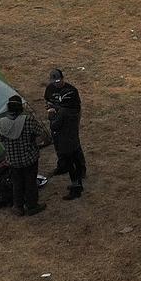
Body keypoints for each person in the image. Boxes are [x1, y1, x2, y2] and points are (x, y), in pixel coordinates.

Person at [0, 95, 49, 216]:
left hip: (13, 161)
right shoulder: (28, 120)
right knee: (30, 182)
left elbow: (0, 138)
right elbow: (41, 134)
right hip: (29, 159)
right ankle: (32, 205)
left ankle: (18, 206)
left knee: (17, 183)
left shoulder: (2, 122)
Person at [44, 69, 86, 200]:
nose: (56, 83)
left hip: (66, 129)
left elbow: (55, 125)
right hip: (64, 130)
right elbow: (47, 100)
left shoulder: (71, 93)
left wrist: (52, 116)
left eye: (58, 80)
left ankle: (77, 183)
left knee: (72, 155)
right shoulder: (50, 89)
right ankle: (64, 167)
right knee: (66, 150)